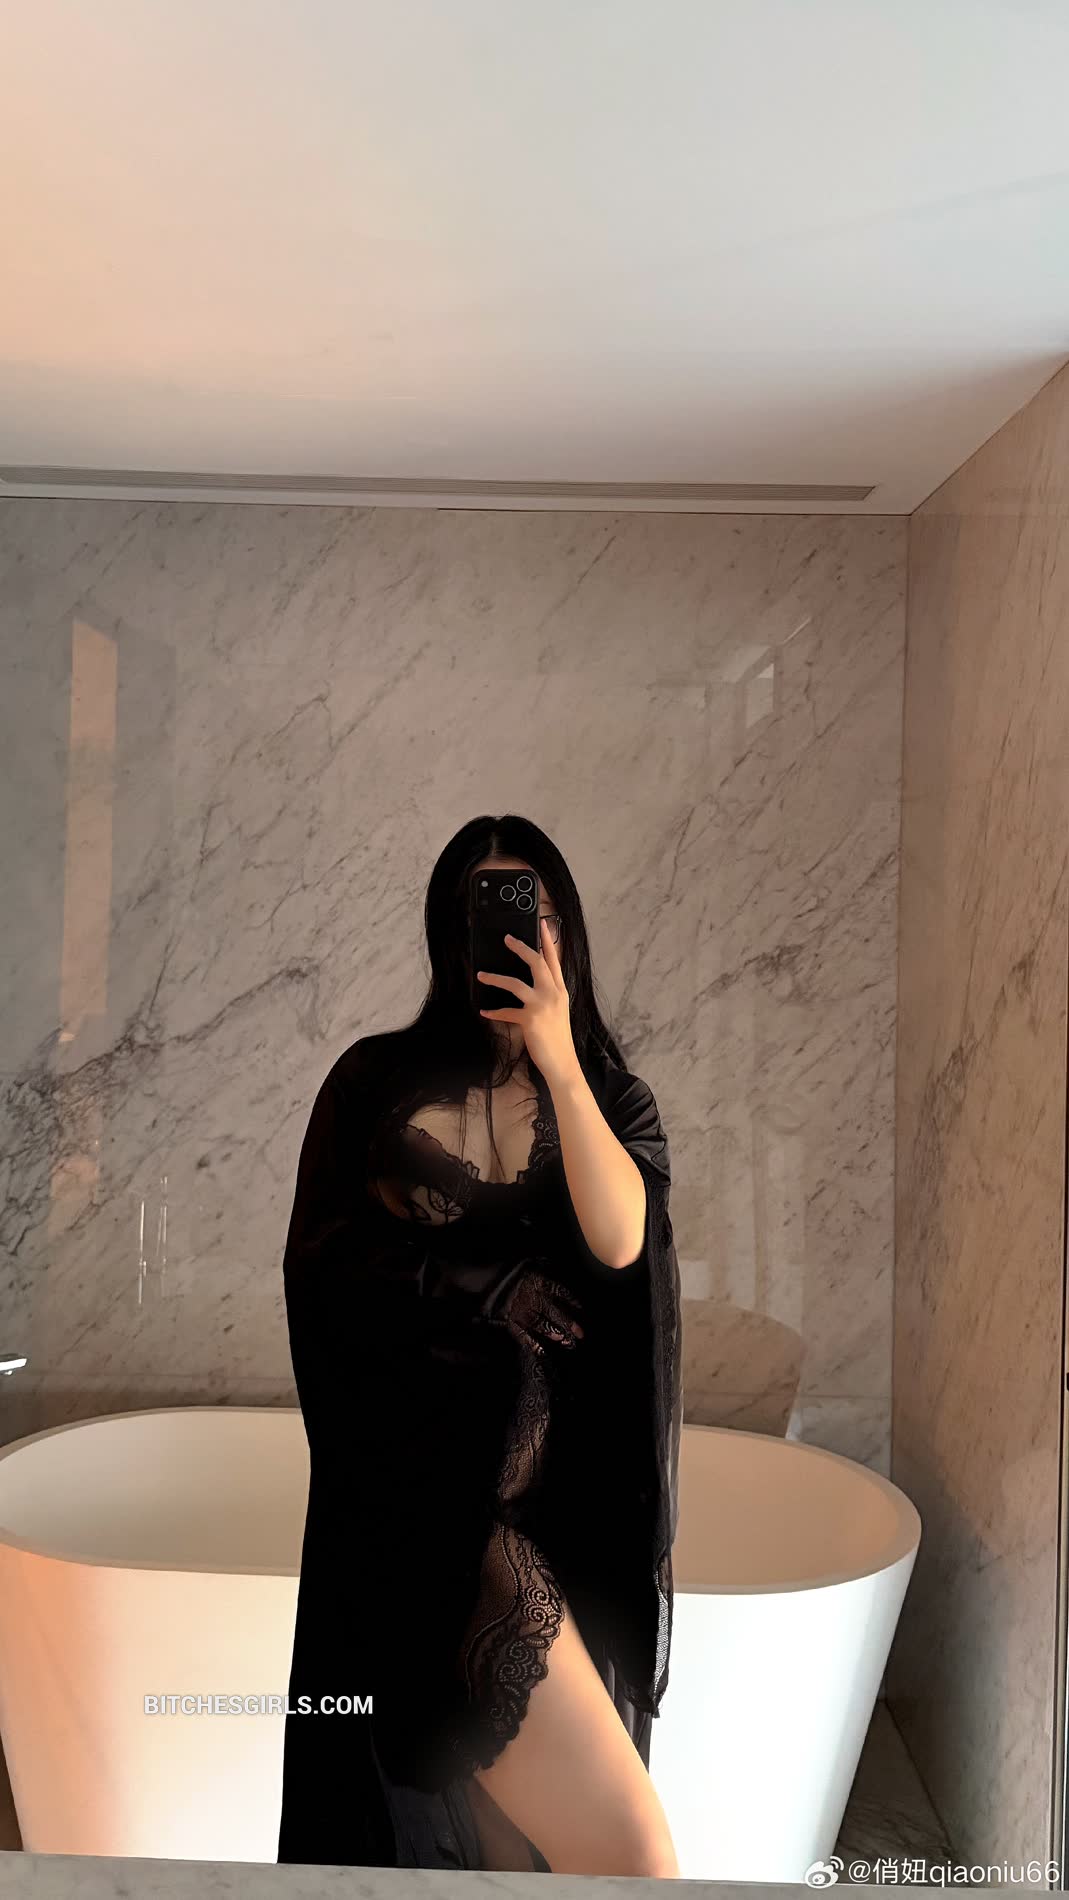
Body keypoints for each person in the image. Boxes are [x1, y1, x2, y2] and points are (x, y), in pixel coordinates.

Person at [276, 813, 683, 1875]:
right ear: (443, 934)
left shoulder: (609, 1097)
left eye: (528, 909)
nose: (505, 931)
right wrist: (482, 1285)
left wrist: (558, 1056)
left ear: (564, 929)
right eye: (478, 912)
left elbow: (622, 1239)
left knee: (515, 1862)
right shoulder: (372, 1083)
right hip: (426, 1521)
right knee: (635, 1858)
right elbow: (322, 1266)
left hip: (564, 1520)